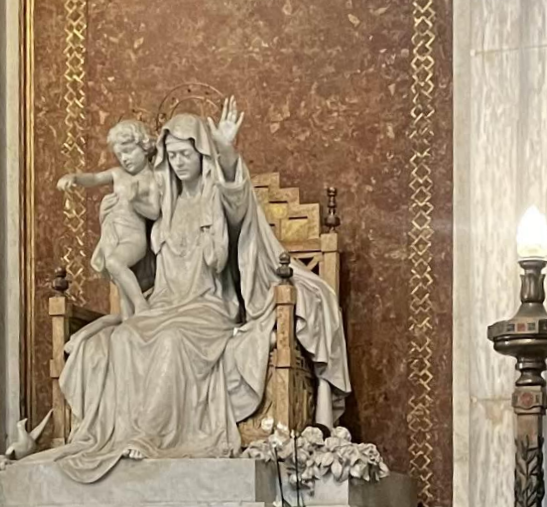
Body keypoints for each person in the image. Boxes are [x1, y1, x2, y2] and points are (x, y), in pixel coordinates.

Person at [52, 101, 352, 481]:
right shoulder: (164, 204)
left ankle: (150, 435)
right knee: (122, 339)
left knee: (172, 341)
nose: (178, 162)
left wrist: (226, 150)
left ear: (201, 154)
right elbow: (126, 212)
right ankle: (114, 434)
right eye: (172, 155)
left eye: (185, 154)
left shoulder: (218, 199)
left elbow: (238, 202)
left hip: (208, 308)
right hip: (164, 304)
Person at [57, 117, 162, 317]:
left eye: (128, 151)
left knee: (114, 263)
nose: (124, 159)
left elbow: (155, 211)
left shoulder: (151, 179)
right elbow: (95, 178)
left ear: (145, 147)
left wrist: (135, 201)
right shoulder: (117, 174)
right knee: (120, 288)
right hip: (113, 237)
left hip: (134, 238)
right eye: (120, 154)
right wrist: (75, 178)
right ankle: (128, 321)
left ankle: (141, 304)